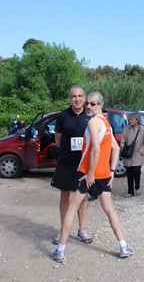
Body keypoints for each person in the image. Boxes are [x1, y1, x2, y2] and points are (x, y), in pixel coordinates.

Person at [50, 91, 133, 263]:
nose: (88, 106)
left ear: (100, 105)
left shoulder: (93, 122)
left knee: (72, 209)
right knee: (109, 209)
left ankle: (61, 250)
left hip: (88, 173)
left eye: (92, 104)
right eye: (87, 103)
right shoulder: (107, 124)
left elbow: (95, 149)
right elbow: (115, 149)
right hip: (103, 174)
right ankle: (124, 246)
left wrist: (89, 174)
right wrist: (111, 172)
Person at [51, 86, 92, 245]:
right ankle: (63, 230)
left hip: (83, 163)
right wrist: (67, 152)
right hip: (66, 163)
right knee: (65, 197)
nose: (77, 99)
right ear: (69, 99)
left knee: (82, 198)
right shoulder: (63, 116)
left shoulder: (90, 116)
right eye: (74, 96)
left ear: (84, 98)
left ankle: (82, 230)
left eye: (80, 96)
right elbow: (58, 138)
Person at [120, 112, 144, 197]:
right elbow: (122, 141)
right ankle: (130, 191)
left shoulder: (143, 130)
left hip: (138, 154)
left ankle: (137, 187)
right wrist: (123, 150)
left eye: (132, 119)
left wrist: (141, 152)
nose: (130, 121)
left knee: (136, 171)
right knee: (129, 173)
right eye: (129, 119)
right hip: (128, 154)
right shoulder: (126, 129)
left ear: (137, 120)